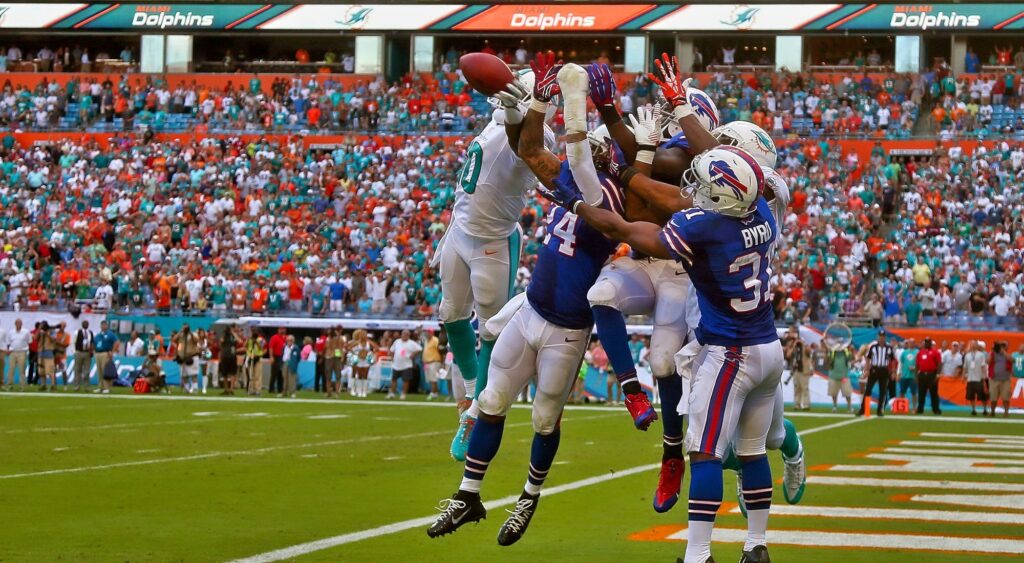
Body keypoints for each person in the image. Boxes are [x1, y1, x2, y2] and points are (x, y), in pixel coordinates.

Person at [542, 86, 782, 561]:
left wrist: (574, 203)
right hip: (768, 347)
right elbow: (726, 172)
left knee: (706, 453)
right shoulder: (763, 210)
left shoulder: (704, 227)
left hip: (728, 354)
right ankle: (756, 546)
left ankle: (697, 555)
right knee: (753, 451)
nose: (692, 184)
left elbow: (625, 229)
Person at [427, 61, 627, 547]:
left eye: (603, 150)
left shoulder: (609, 196)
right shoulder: (567, 178)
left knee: (542, 416)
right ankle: (468, 490)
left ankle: (528, 497)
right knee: (490, 390)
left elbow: (555, 151)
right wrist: (533, 99)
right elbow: (533, 144)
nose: (593, 152)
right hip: (530, 304)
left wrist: (563, 105)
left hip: (565, 323)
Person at [438, 58, 555, 462]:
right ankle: (473, 386)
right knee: (450, 313)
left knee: (489, 329)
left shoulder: (542, 137)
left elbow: (526, 148)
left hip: (493, 242)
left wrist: (519, 114)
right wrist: (509, 109)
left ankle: (475, 411)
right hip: (460, 228)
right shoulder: (494, 120)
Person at [860, 330, 895, 417]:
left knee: (883, 391)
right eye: (880, 336)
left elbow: (893, 360)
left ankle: (880, 410)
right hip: (874, 369)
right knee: (868, 390)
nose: (881, 338)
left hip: (884, 370)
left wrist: (893, 371)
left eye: (883, 336)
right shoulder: (873, 347)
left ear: (885, 337)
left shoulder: (889, 348)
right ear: (878, 337)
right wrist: (867, 370)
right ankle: (862, 409)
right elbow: (868, 358)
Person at [388, 330, 422, 400]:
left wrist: (413, 354)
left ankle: (403, 394)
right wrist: (391, 358)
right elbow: (391, 350)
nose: (405, 335)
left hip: (407, 365)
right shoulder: (397, 341)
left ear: (408, 335)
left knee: (406, 380)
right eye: (403, 334)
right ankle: (392, 393)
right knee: (393, 379)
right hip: (396, 364)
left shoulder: (411, 343)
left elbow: (419, 349)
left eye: (406, 334)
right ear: (401, 334)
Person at [784, 328, 811, 411]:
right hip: (795, 370)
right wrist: (794, 345)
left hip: (804, 369)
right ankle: (797, 404)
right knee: (796, 388)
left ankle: (806, 404)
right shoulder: (791, 346)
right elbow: (788, 355)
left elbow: (809, 352)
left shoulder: (804, 344)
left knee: (805, 388)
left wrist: (802, 344)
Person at [915, 337, 942, 415]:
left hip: (932, 374)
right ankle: (920, 409)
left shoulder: (935, 352)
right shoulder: (920, 353)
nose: (927, 343)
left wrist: (938, 374)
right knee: (921, 393)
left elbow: (939, 364)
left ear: (930, 343)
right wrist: (916, 375)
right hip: (922, 374)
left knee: (933, 393)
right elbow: (917, 365)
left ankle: (935, 409)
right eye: (926, 342)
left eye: (928, 342)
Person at [347, 329, 377, 398]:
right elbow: (349, 347)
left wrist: (370, 353)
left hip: (366, 360)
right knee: (359, 375)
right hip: (359, 359)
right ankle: (358, 390)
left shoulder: (368, 342)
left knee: (365, 376)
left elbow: (376, 348)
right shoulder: (357, 342)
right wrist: (355, 353)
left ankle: (364, 391)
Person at [963, 340, 989, 416]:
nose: (973, 346)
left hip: (979, 378)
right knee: (971, 396)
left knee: (982, 396)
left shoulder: (981, 355)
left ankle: (984, 409)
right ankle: (973, 409)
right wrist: (963, 376)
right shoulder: (967, 355)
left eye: (974, 344)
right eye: (971, 344)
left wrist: (984, 377)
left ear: (977, 346)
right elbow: (965, 366)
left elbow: (983, 366)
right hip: (970, 378)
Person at [827, 344, 855, 413]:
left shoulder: (846, 353)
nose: (839, 347)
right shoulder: (832, 352)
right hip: (833, 376)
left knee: (847, 393)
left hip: (844, 377)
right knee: (834, 393)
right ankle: (834, 406)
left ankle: (849, 407)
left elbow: (853, 358)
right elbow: (827, 361)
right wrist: (829, 350)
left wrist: (852, 350)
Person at [174, 324, 201, 394]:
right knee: (184, 375)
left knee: (193, 374)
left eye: (186, 327)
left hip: (192, 356)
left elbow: (197, 340)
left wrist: (190, 332)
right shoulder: (181, 335)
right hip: (183, 358)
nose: (185, 329)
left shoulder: (193, 334)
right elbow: (175, 340)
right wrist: (181, 331)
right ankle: (186, 388)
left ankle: (195, 388)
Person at [989, 341, 1013, 418]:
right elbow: (988, 361)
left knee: (1006, 397)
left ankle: (1006, 412)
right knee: (993, 397)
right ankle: (992, 411)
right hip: (994, 379)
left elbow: (1012, 360)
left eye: (1004, 345)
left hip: (1005, 380)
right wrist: (993, 350)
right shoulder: (993, 354)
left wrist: (1003, 352)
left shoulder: (1008, 355)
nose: (1002, 347)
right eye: (1001, 346)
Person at [94, 321, 118, 394]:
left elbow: (116, 342)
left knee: (105, 370)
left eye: (105, 325)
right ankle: (100, 387)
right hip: (98, 353)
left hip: (106, 353)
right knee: (99, 371)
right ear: (100, 326)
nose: (103, 326)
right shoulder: (98, 335)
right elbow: (94, 343)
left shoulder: (110, 334)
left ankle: (107, 387)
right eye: (102, 325)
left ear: (107, 326)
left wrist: (112, 351)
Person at [6, 318, 30, 390]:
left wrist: (26, 350)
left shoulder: (26, 332)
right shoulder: (11, 332)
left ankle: (22, 386)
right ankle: (10, 385)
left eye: (20, 323)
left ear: (22, 324)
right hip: (13, 352)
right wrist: (8, 350)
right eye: (17, 323)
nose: (18, 325)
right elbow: (9, 342)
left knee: (22, 369)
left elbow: (29, 341)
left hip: (22, 352)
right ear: (15, 324)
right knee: (11, 369)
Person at [72, 320, 94, 392]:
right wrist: (74, 352)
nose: (86, 324)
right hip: (79, 352)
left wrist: (91, 351)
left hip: (87, 353)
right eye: (84, 323)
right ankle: (76, 386)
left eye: (87, 323)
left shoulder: (90, 333)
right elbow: (73, 342)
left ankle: (87, 386)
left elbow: (92, 343)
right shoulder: (77, 332)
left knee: (86, 371)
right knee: (77, 370)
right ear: (82, 324)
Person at [896, 338, 918, 408]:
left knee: (914, 392)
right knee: (902, 392)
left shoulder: (917, 352)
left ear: (915, 344)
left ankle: (914, 407)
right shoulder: (904, 352)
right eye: (910, 342)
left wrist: (915, 368)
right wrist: (898, 373)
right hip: (904, 375)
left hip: (913, 376)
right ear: (908, 344)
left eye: (913, 342)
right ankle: (902, 407)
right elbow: (900, 363)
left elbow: (920, 364)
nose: (911, 344)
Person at [422, 329, 443, 400]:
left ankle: (432, 393)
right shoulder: (426, 341)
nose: (427, 334)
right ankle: (435, 393)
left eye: (428, 333)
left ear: (431, 333)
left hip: (434, 361)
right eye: (426, 333)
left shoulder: (435, 340)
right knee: (430, 379)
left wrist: (441, 361)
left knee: (433, 379)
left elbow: (440, 350)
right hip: (427, 363)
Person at [268, 327, 287, 396]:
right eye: (281, 329)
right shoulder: (274, 337)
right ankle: (271, 388)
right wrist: (271, 356)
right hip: (276, 356)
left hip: (283, 357)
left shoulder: (286, 338)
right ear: (278, 330)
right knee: (274, 373)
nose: (282, 330)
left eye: (283, 329)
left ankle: (280, 389)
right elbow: (271, 347)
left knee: (281, 374)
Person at [219, 329, 239, 395]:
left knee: (232, 373)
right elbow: (221, 341)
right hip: (225, 356)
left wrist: (233, 333)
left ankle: (231, 388)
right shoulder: (224, 337)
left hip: (232, 356)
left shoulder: (233, 337)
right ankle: (226, 389)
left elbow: (239, 340)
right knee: (225, 374)